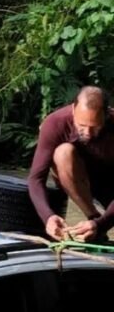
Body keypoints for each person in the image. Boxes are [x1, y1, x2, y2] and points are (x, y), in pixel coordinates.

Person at [28, 86, 114, 242]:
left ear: (107, 115)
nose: (87, 133)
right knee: (63, 152)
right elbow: (36, 179)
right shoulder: (55, 123)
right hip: (77, 181)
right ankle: (92, 216)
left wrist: (102, 224)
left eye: (95, 127)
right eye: (81, 126)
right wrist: (48, 217)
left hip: (109, 182)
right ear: (74, 110)